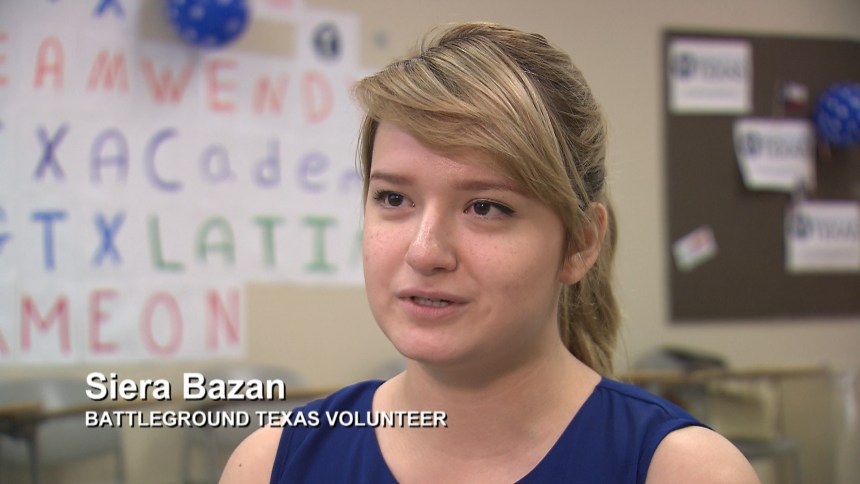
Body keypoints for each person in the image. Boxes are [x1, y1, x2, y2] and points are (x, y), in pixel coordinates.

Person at [221, 22, 760, 483]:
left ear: (579, 243)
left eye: (485, 207)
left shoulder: (683, 471)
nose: (425, 252)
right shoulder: (273, 463)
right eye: (394, 199)